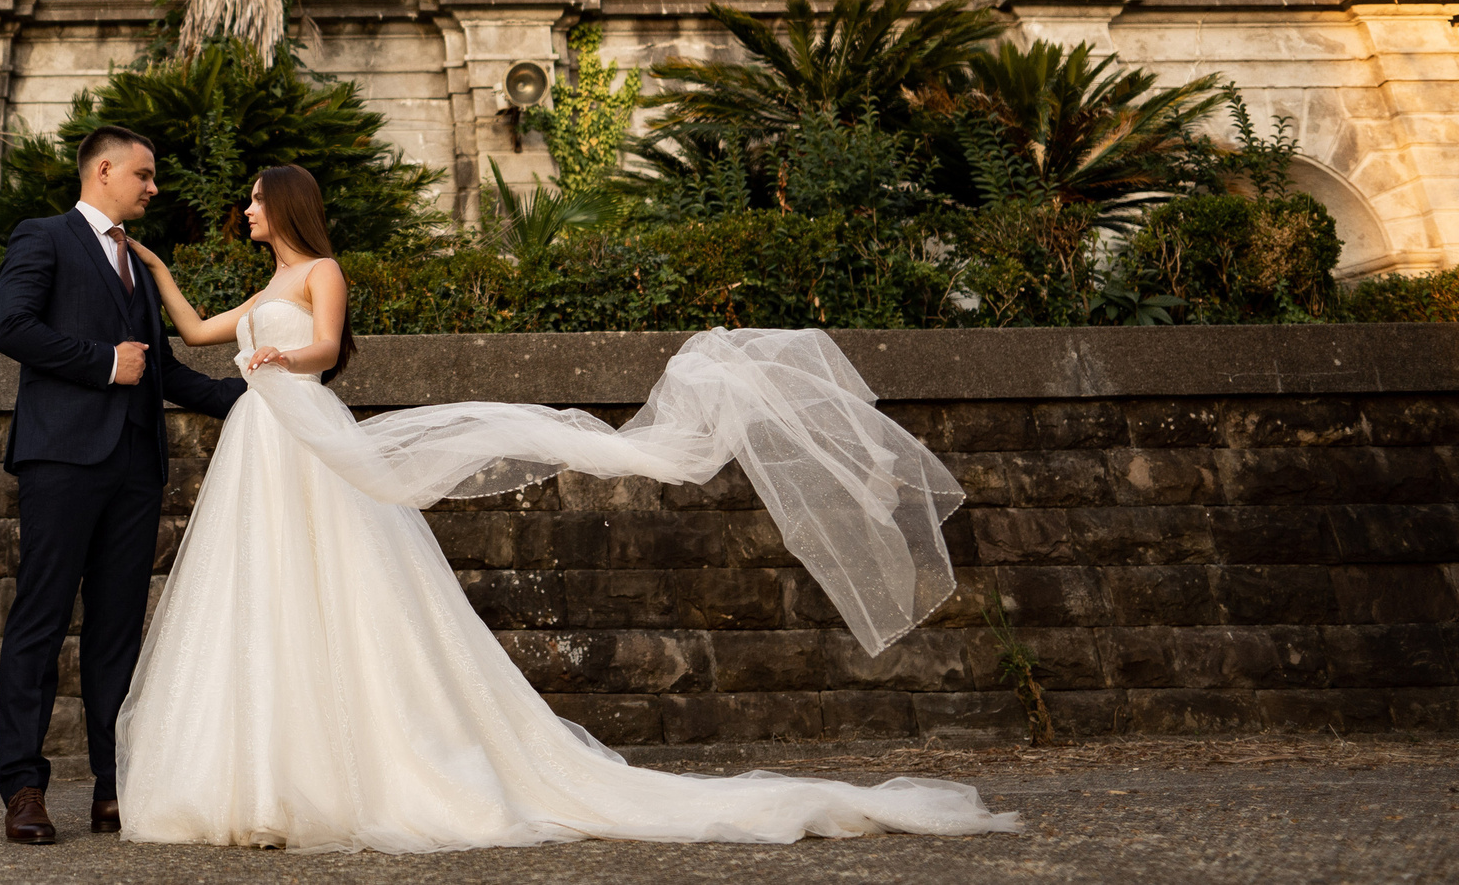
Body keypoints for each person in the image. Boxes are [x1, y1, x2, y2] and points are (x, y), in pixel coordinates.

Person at [112, 163, 1022, 853]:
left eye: (256, 200)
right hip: (260, 446)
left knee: (344, 586)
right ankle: (257, 774)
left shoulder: (321, 271)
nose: (248, 210)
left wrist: (281, 363)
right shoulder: (265, 284)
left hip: (305, 429)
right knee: (260, 594)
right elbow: (196, 332)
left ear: (286, 205)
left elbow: (324, 346)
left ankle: (358, 767)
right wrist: (151, 267)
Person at [0, 125, 246, 845]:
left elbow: (161, 368)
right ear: (104, 169)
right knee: (39, 621)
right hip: (61, 461)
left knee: (115, 634)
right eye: (145, 173)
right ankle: (25, 788)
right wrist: (103, 362)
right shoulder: (41, 237)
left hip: (135, 470)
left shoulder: (135, 262)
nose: (154, 186)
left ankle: (113, 786)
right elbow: (11, 327)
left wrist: (258, 398)